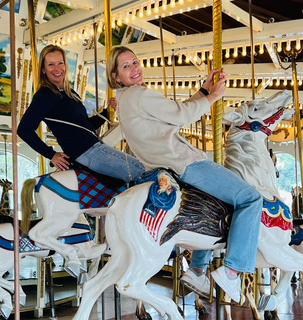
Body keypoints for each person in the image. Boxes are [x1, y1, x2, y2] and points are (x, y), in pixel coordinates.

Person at [106, 46, 263, 303]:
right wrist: (214, 96)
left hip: (163, 168)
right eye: (126, 66)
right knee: (251, 198)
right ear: (115, 76)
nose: (135, 68)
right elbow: (183, 114)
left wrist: (202, 91)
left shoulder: (124, 101)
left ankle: (198, 270)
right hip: (184, 163)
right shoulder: (139, 95)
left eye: (135, 62)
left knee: (218, 204)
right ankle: (232, 271)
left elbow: (175, 115)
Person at [17, 44, 144, 183]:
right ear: (43, 69)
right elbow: (24, 129)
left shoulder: (70, 93)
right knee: (139, 170)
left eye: (60, 63)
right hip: (87, 152)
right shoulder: (45, 95)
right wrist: (51, 154)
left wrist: (108, 112)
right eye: (51, 64)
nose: (57, 68)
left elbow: (85, 125)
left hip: (94, 146)